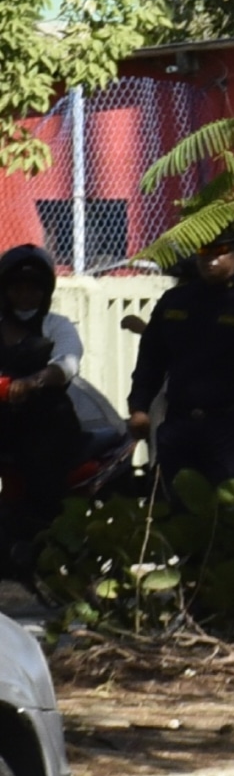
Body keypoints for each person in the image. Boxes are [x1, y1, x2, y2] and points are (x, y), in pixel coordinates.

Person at [126, 223, 234, 489]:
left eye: (221, 251)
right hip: (180, 423)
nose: (210, 259)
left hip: (232, 427)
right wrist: (139, 407)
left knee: (231, 509)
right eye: (204, 251)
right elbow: (151, 360)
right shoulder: (174, 302)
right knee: (177, 510)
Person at [0, 245, 81, 576]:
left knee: (43, 484)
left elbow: (67, 361)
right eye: (17, 286)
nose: (25, 294)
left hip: (46, 423)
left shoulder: (58, 325)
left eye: (33, 287)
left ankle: (48, 553)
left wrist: (34, 381)